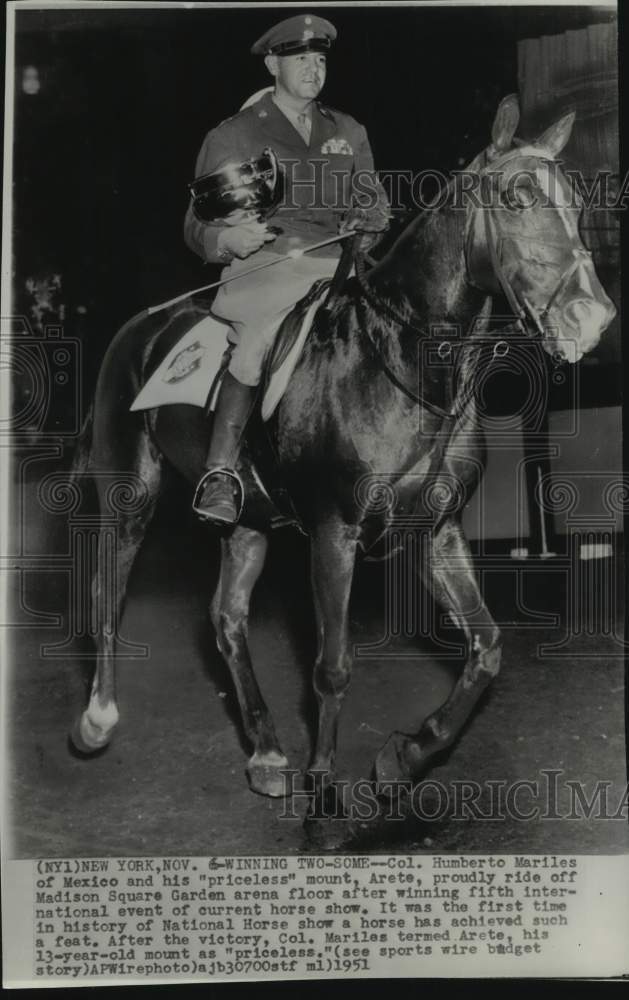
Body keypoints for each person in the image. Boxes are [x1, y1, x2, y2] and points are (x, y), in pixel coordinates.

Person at [184, 13, 390, 525]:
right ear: (273, 63)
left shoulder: (348, 130)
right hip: (266, 266)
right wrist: (226, 237)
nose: (313, 70)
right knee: (254, 347)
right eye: (301, 59)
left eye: (320, 60)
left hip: (338, 265)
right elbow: (195, 222)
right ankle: (220, 474)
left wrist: (371, 217)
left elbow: (375, 203)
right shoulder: (234, 134)